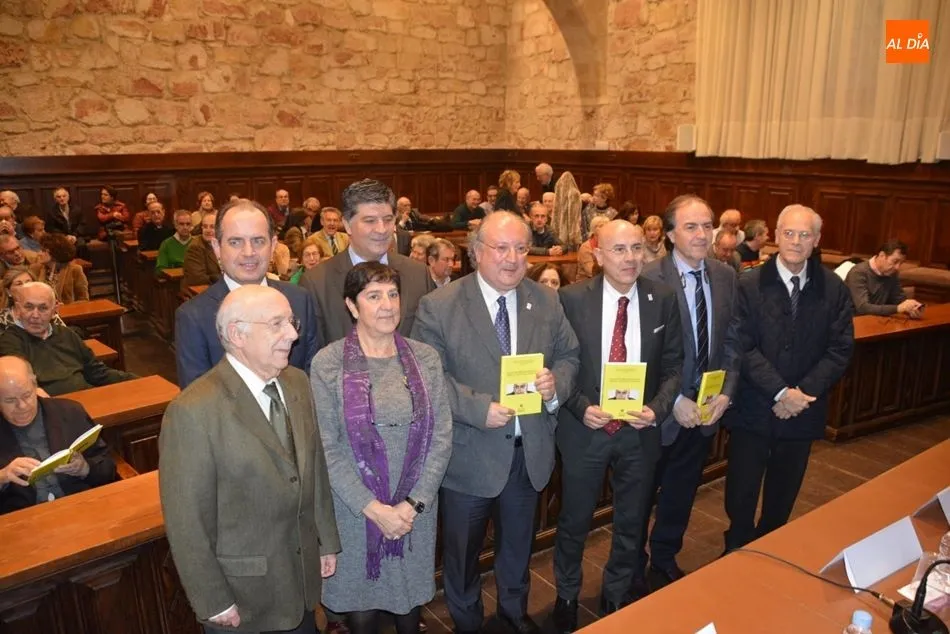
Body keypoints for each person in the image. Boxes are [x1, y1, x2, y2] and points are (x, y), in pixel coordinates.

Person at [411, 211, 579, 634]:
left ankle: (513, 614)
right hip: (469, 455)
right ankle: (466, 623)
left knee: (517, 550)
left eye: (521, 248)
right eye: (501, 248)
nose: (513, 258)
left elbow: (570, 355)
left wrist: (554, 383)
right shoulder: (439, 306)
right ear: (475, 254)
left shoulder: (545, 300)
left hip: (527, 454)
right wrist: (475, 408)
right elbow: (426, 377)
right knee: (463, 556)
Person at [160, 285, 340, 634]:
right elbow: (187, 522)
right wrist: (213, 599)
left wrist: (325, 541)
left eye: (291, 322)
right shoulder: (193, 411)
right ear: (236, 334)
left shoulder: (297, 382)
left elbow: (313, 469)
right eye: (276, 324)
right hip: (244, 599)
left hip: (301, 581)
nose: (292, 334)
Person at [551, 220, 682, 632]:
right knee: (574, 521)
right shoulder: (570, 300)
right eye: (620, 249)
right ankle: (567, 593)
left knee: (632, 519)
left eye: (637, 248)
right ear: (598, 253)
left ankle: (616, 592)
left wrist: (658, 409)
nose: (630, 258)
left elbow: (676, 365)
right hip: (586, 430)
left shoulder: (662, 298)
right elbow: (558, 366)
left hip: (639, 433)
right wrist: (578, 406)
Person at [310, 263, 452, 634]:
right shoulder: (328, 363)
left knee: (408, 604)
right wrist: (374, 509)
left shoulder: (425, 359)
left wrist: (412, 504)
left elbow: (441, 437)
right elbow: (327, 447)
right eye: (373, 296)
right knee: (362, 609)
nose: (387, 304)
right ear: (352, 306)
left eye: (392, 294)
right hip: (356, 512)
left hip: (413, 513)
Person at [723, 205, 854, 552]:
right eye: (789, 233)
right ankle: (735, 547)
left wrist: (801, 394)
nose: (796, 242)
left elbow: (840, 348)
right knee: (741, 489)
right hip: (754, 406)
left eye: (805, 235)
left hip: (803, 410)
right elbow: (740, 345)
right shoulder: (748, 284)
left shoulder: (833, 288)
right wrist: (780, 391)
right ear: (776, 236)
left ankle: (770, 547)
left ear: (817, 240)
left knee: (784, 490)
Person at [638, 195, 740, 590]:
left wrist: (726, 393)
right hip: (661, 412)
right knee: (642, 496)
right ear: (669, 234)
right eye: (691, 226)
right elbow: (640, 351)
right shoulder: (648, 277)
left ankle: (664, 558)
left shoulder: (725, 274)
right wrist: (673, 400)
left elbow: (732, 340)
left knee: (681, 494)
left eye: (707, 225)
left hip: (706, 411)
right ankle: (633, 566)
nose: (702, 234)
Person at [175, 199, 321, 388]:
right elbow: (197, 401)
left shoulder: (300, 300)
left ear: (273, 245)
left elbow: (312, 378)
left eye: (258, 241)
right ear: (217, 248)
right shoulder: (193, 317)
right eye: (235, 242)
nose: (249, 252)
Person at [301, 179, 432, 344]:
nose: (382, 229)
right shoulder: (316, 283)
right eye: (370, 221)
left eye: (387, 219)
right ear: (347, 225)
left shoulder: (418, 274)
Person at [0, 356, 116, 515]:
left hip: (82, 508)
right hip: (24, 521)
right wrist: (3, 476)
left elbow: (108, 467)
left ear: (35, 385)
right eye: (10, 400)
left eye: (27, 395)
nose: (22, 406)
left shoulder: (70, 412)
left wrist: (85, 468)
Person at [0, 282, 137, 395]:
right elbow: (22, 387)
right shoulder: (10, 342)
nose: (35, 315)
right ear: (17, 310)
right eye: (29, 307)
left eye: (43, 308)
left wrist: (136, 380)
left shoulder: (66, 334)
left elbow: (97, 373)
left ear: (54, 311)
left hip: (87, 399)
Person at [845, 240, 922, 317]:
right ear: (882, 255)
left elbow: (899, 300)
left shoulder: (892, 273)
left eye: (901, 263)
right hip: (853, 322)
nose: (897, 267)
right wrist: (898, 308)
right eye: (895, 261)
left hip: (876, 321)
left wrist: (911, 307)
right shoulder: (858, 272)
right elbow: (862, 308)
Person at [0, 267, 67, 330]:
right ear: (8, 291)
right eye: (19, 284)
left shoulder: (48, 312)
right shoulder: (2, 319)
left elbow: (64, 336)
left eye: (28, 282)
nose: (25, 287)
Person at [34, 233, 90, 304]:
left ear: (55, 253)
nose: (39, 253)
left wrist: (66, 307)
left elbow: (84, 300)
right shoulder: (36, 269)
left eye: (43, 251)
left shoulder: (75, 270)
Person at [182, 210, 222, 289]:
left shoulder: (222, 243)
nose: (208, 230)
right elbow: (197, 278)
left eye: (212, 227)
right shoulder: (195, 247)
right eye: (205, 226)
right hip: (199, 291)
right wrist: (223, 278)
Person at [551, 172, 582, 251]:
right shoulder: (574, 193)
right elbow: (574, 217)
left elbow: (573, 215)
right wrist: (574, 234)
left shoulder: (572, 194)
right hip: (566, 229)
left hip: (563, 229)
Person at [576, 215, 610, 283]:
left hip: (606, 280)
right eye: (601, 226)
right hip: (586, 283)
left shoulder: (610, 245)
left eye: (607, 226)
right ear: (593, 229)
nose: (605, 228)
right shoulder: (585, 247)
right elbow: (591, 272)